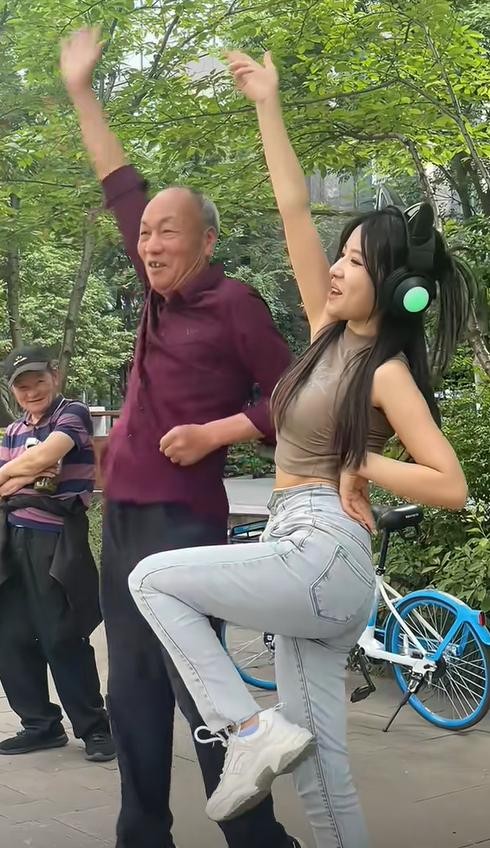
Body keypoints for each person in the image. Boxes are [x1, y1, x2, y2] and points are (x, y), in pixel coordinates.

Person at [128, 51, 472, 848]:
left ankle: (244, 731)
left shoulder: (385, 372)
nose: (338, 268)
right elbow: (291, 207)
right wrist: (267, 104)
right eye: (340, 255)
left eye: (354, 261)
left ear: (394, 288)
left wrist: (358, 462)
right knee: (320, 772)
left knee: (154, 580)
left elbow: (450, 484)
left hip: (323, 549)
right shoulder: (325, 334)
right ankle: (265, 744)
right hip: (304, 556)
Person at [60, 29, 303, 848]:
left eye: (170, 232)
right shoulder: (155, 290)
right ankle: (142, 833)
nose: (152, 243)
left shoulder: (235, 305)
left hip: (184, 523)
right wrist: (82, 90)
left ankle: (256, 838)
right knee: (131, 688)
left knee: (199, 686)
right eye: (147, 234)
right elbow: (119, 182)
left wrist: (217, 433)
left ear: (206, 241)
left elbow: (295, 397)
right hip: (124, 519)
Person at [0, 344, 115, 762]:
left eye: (39, 382)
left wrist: (30, 466)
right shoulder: (14, 431)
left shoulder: (72, 413)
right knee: (10, 635)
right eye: (23, 387)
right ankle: (40, 725)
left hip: (55, 537)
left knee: (62, 634)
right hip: (11, 537)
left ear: (55, 377)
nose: (32, 392)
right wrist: (25, 471)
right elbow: (12, 481)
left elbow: (48, 456)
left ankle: (95, 728)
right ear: (13, 391)